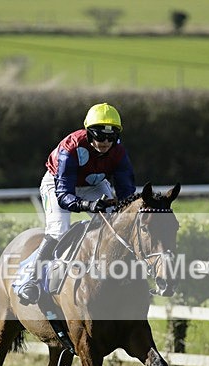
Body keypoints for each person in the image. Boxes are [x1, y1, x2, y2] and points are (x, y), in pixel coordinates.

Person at [14, 102, 136, 305]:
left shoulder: (119, 152)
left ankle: (126, 278)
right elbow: (64, 196)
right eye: (100, 135)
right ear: (88, 133)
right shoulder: (70, 147)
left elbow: (126, 193)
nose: (105, 141)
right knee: (59, 230)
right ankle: (30, 279)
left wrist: (125, 210)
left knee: (119, 224)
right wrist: (88, 206)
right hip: (58, 185)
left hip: (94, 184)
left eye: (111, 136)